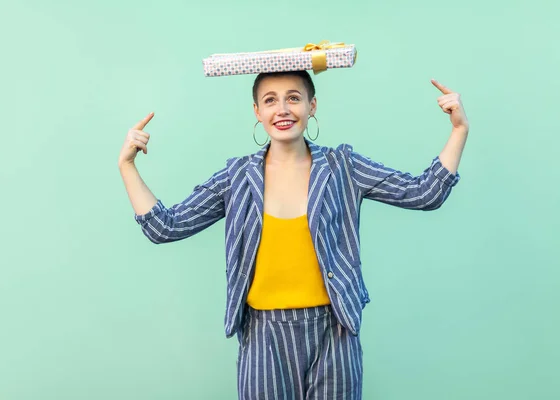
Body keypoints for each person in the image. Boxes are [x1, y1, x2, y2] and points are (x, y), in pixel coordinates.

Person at [118, 70, 469, 399]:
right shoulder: (237, 177)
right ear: (256, 111)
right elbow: (166, 226)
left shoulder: (343, 167)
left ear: (311, 105)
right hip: (262, 336)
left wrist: (458, 131)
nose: (283, 109)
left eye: (294, 98)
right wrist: (128, 166)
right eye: (270, 100)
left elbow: (425, 194)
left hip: (334, 331)